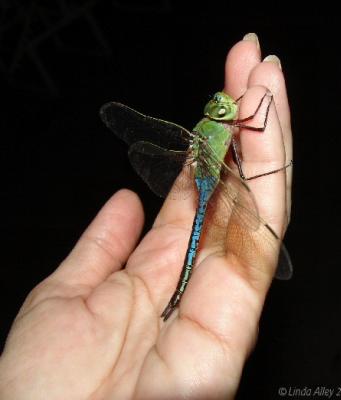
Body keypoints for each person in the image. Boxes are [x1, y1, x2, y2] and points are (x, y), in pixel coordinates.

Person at [0, 33, 293, 399]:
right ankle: (179, 290)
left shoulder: (202, 131)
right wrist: (263, 105)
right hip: (207, 188)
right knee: (248, 205)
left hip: (204, 183)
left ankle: (178, 292)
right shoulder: (224, 128)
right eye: (220, 104)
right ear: (217, 115)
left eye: (223, 103)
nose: (225, 105)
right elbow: (259, 127)